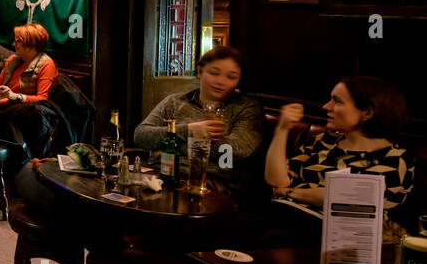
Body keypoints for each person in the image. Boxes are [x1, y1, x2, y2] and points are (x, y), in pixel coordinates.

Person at [265, 75, 414, 217]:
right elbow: (276, 180)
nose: (326, 106)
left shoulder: (395, 159)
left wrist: (287, 192)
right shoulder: (324, 140)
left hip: (335, 232)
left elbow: (346, 199)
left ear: (367, 113)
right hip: (284, 213)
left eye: (337, 101)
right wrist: (282, 129)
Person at [133, 46, 264, 196]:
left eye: (231, 77)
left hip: (212, 183)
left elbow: (233, 152)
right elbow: (141, 136)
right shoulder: (174, 102)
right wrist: (189, 130)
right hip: (159, 174)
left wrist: (170, 146)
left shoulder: (246, 108)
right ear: (200, 72)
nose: (221, 81)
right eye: (214, 73)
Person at [0, 22, 57, 119]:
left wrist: (16, 96)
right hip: (1, 110)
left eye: (18, 41)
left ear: (31, 44)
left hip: (21, 117)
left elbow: (43, 99)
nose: (13, 44)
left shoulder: (46, 64)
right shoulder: (13, 59)